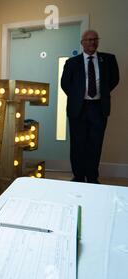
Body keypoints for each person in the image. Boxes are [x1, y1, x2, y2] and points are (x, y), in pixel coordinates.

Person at [61, 30, 119, 184]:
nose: (92, 42)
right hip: (78, 108)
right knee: (77, 144)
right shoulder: (72, 62)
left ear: (98, 41)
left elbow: (114, 80)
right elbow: (65, 84)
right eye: (89, 40)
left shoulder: (108, 59)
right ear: (82, 43)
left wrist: (102, 93)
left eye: (95, 39)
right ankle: (78, 176)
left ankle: (92, 177)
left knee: (95, 143)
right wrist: (78, 96)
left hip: (99, 108)